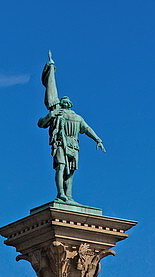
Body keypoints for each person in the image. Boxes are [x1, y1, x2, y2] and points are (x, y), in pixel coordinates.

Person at [37, 52, 105, 204]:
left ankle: (68, 195)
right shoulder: (58, 114)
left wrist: (97, 139)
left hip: (73, 144)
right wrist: (52, 115)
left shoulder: (76, 117)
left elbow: (87, 129)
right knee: (61, 167)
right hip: (62, 143)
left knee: (70, 171)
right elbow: (41, 123)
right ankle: (61, 193)